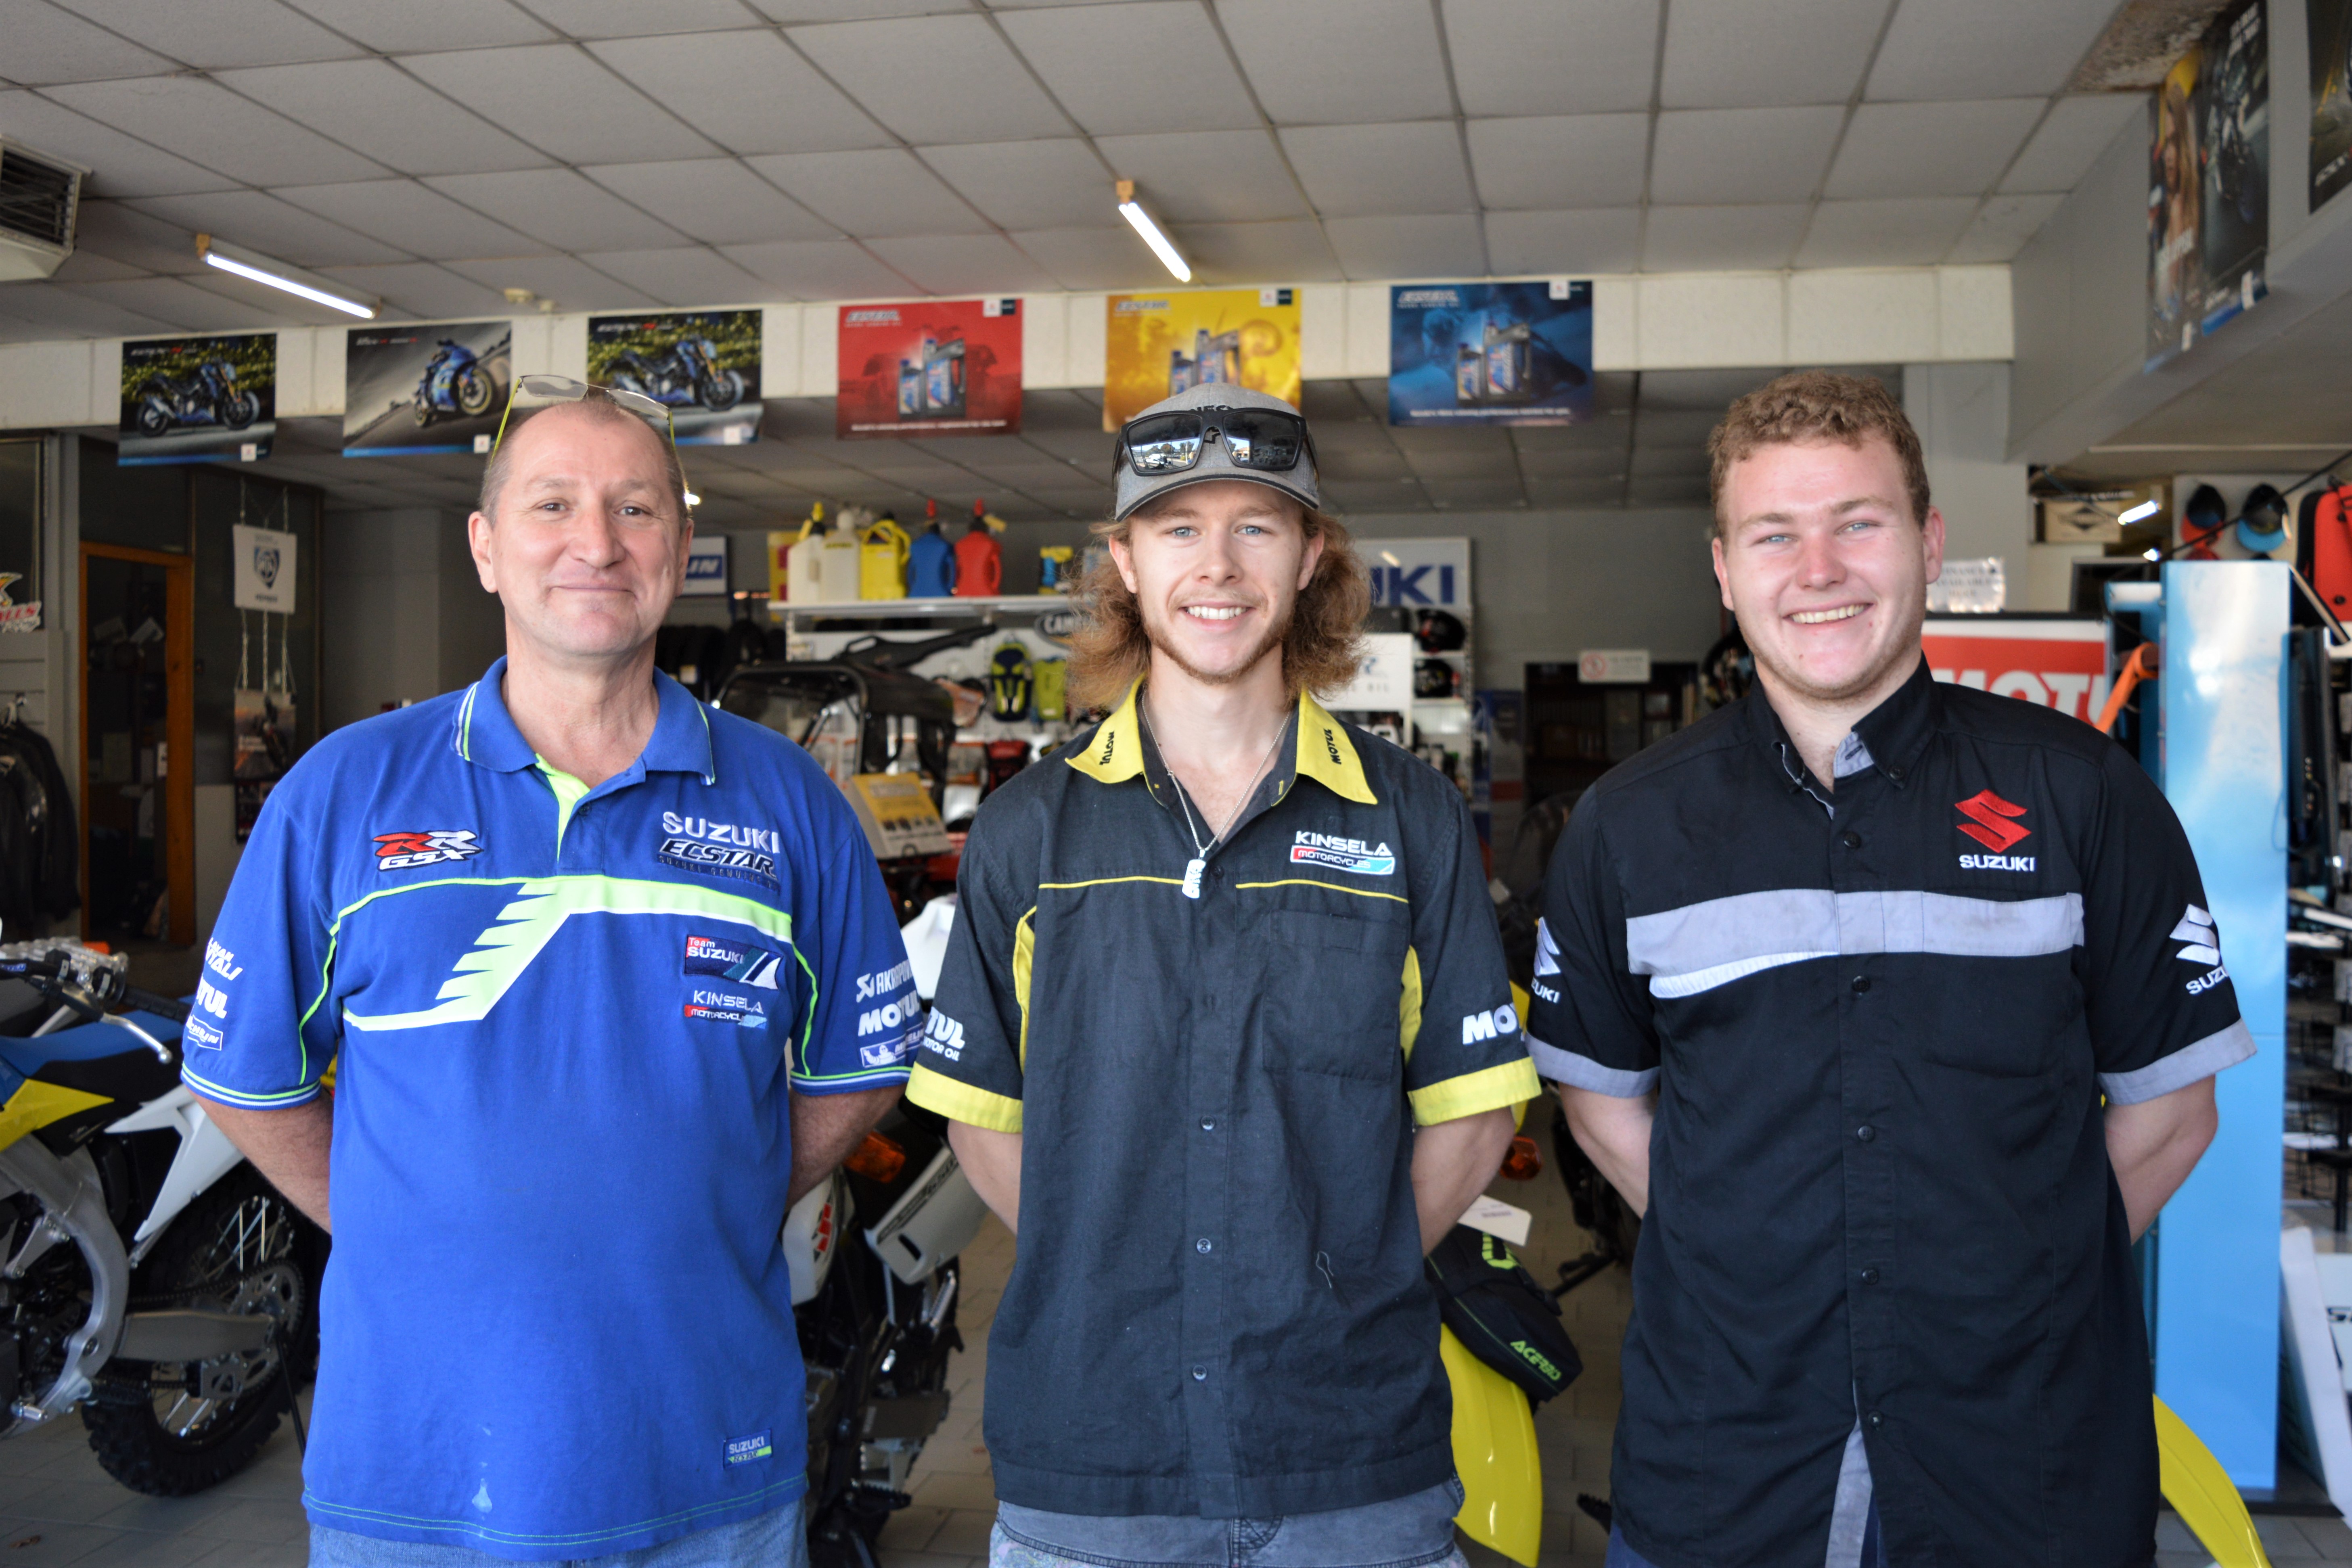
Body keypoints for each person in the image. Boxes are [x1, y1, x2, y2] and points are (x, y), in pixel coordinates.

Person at [186, 380, 921, 1566]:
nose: (597, 543)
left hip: (708, 1474)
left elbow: (863, 1064)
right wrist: (404, 1219)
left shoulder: (790, 805)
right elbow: (242, 1070)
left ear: (679, 548)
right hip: (416, 1474)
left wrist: (717, 1193)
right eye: (553, 505)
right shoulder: (343, 791)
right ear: (485, 548)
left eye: (636, 508)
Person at [1528, 371, 2249, 1568]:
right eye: (1775, 535)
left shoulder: (2083, 795)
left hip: (2025, 1483)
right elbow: (1601, 1105)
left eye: (1856, 523)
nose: (1819, 570)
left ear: (1928, 543)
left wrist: (2013, 1273)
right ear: (1725, 570)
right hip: (1725, 1478)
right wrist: (1751, 1253)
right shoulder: (1627, 828)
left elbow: (2173, 1113)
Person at [905, 382, 1540, 1568]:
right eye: (1179, 528)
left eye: (1257, 525)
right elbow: (985, 1117)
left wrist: (1332, 1277)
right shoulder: (1029, 830)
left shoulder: (1410, 819)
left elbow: (1474, 1112)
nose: (1219, 565)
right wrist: (1109, 1254)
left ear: (1310, 557)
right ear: (1126, 562)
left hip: (1352, 1454)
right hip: (1093, 1456)